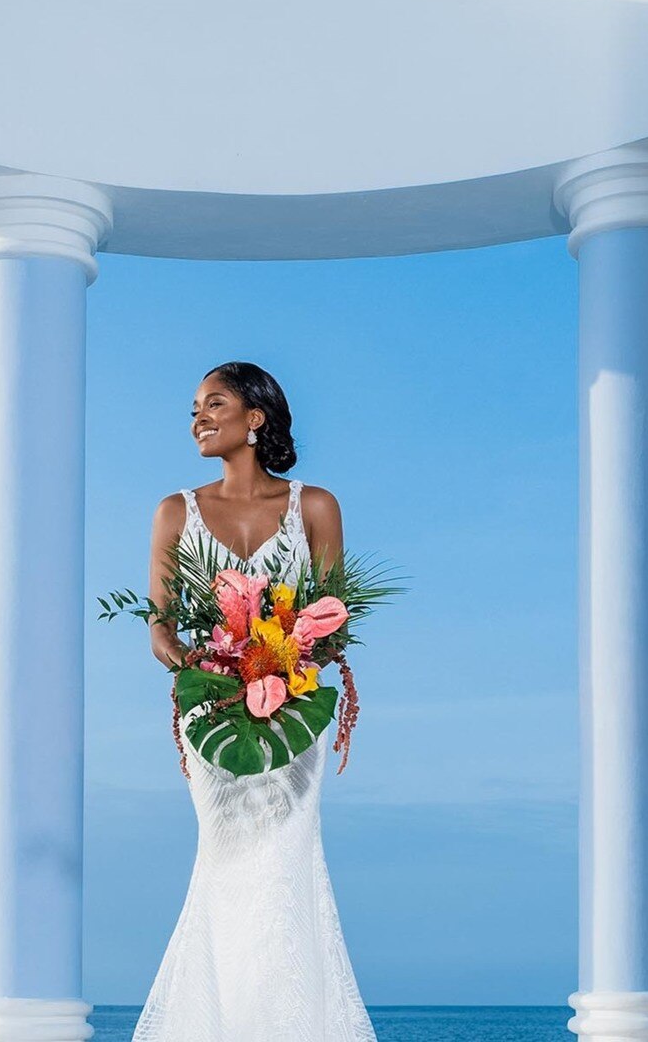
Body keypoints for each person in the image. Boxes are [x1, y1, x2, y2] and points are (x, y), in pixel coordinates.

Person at [131, 361, 378, 1041]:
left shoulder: (316, 507)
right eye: (193, 409)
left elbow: (336, 617)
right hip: (210, 712)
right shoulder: (174, 510)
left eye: (215, 404)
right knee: (226, 856)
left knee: (287, 858)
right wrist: (206, 667)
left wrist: (289, 663)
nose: (199, 419)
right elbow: (158, 625)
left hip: (294, 712)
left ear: (256, 418)